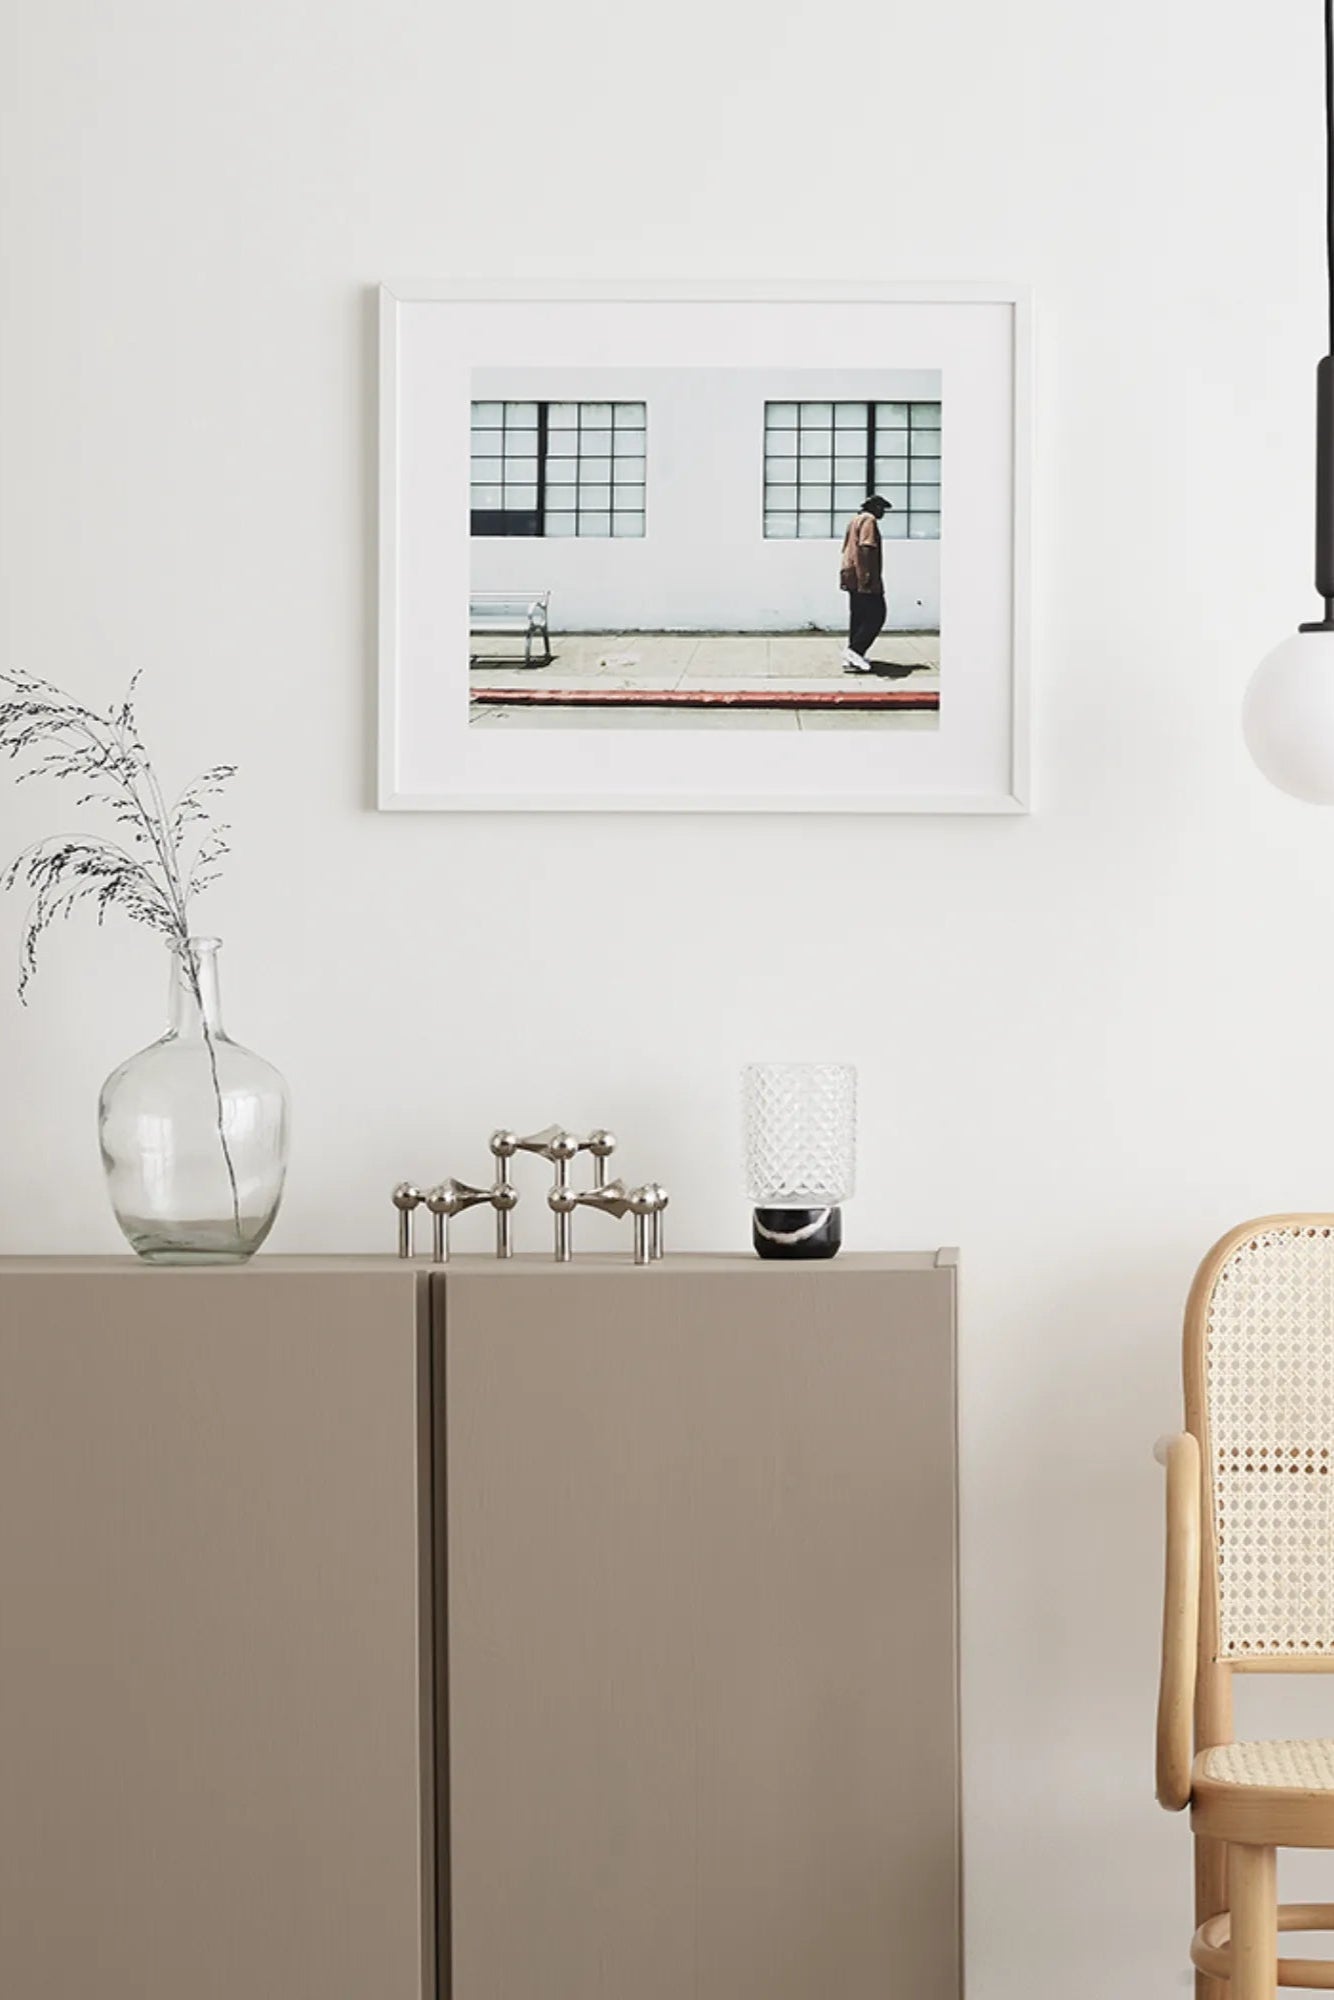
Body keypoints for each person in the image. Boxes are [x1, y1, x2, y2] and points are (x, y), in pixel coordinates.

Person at [839, 495, 891, 672]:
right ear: (874, 507)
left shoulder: (854, 521)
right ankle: (855, 650)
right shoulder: (869, 520)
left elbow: (846, 549)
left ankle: (852, 656)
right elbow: (866, 547)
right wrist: (868, 576)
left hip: (851, 574)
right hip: (864, 576)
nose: (882, 512)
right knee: (877, 615)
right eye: (881, 508)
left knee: (859, 616)